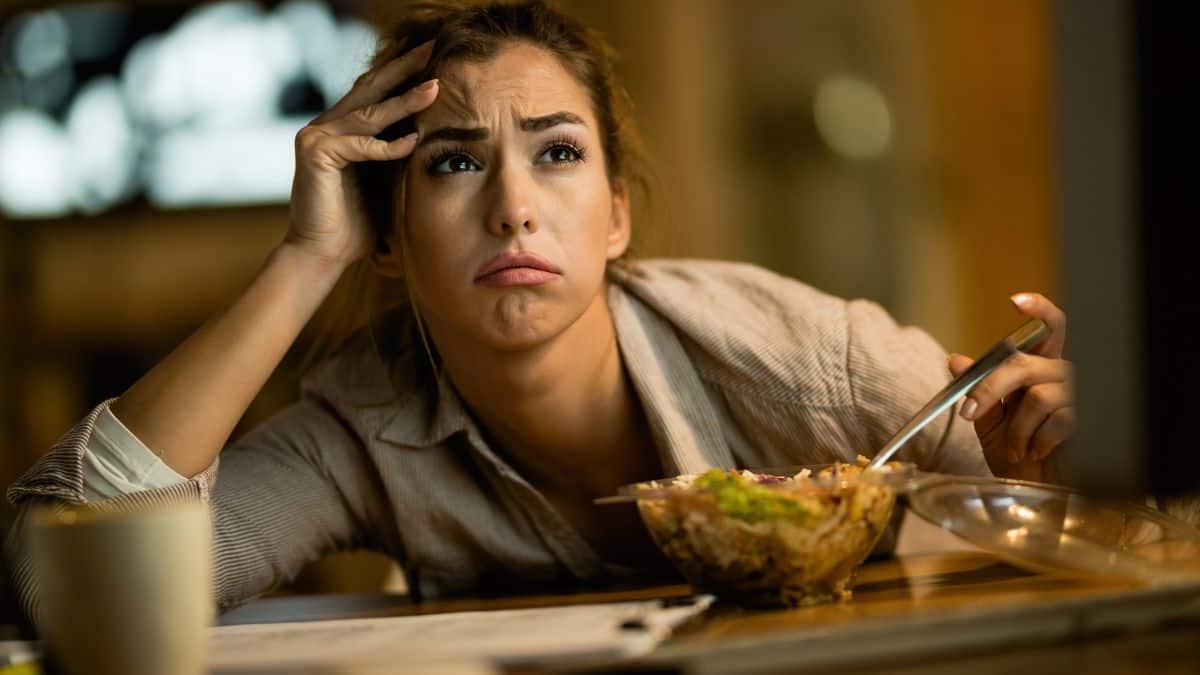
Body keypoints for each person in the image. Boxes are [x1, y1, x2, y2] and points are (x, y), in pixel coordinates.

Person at [5, 0, 1081, 624]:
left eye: (557, 154)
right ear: (388, 236)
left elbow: (1073, 518)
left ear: (616, 216)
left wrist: (1069, 455)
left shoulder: (807, 359)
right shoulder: (361, 428)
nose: (514, 208)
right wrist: (304, 256)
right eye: (457, 163)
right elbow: (59, 581)